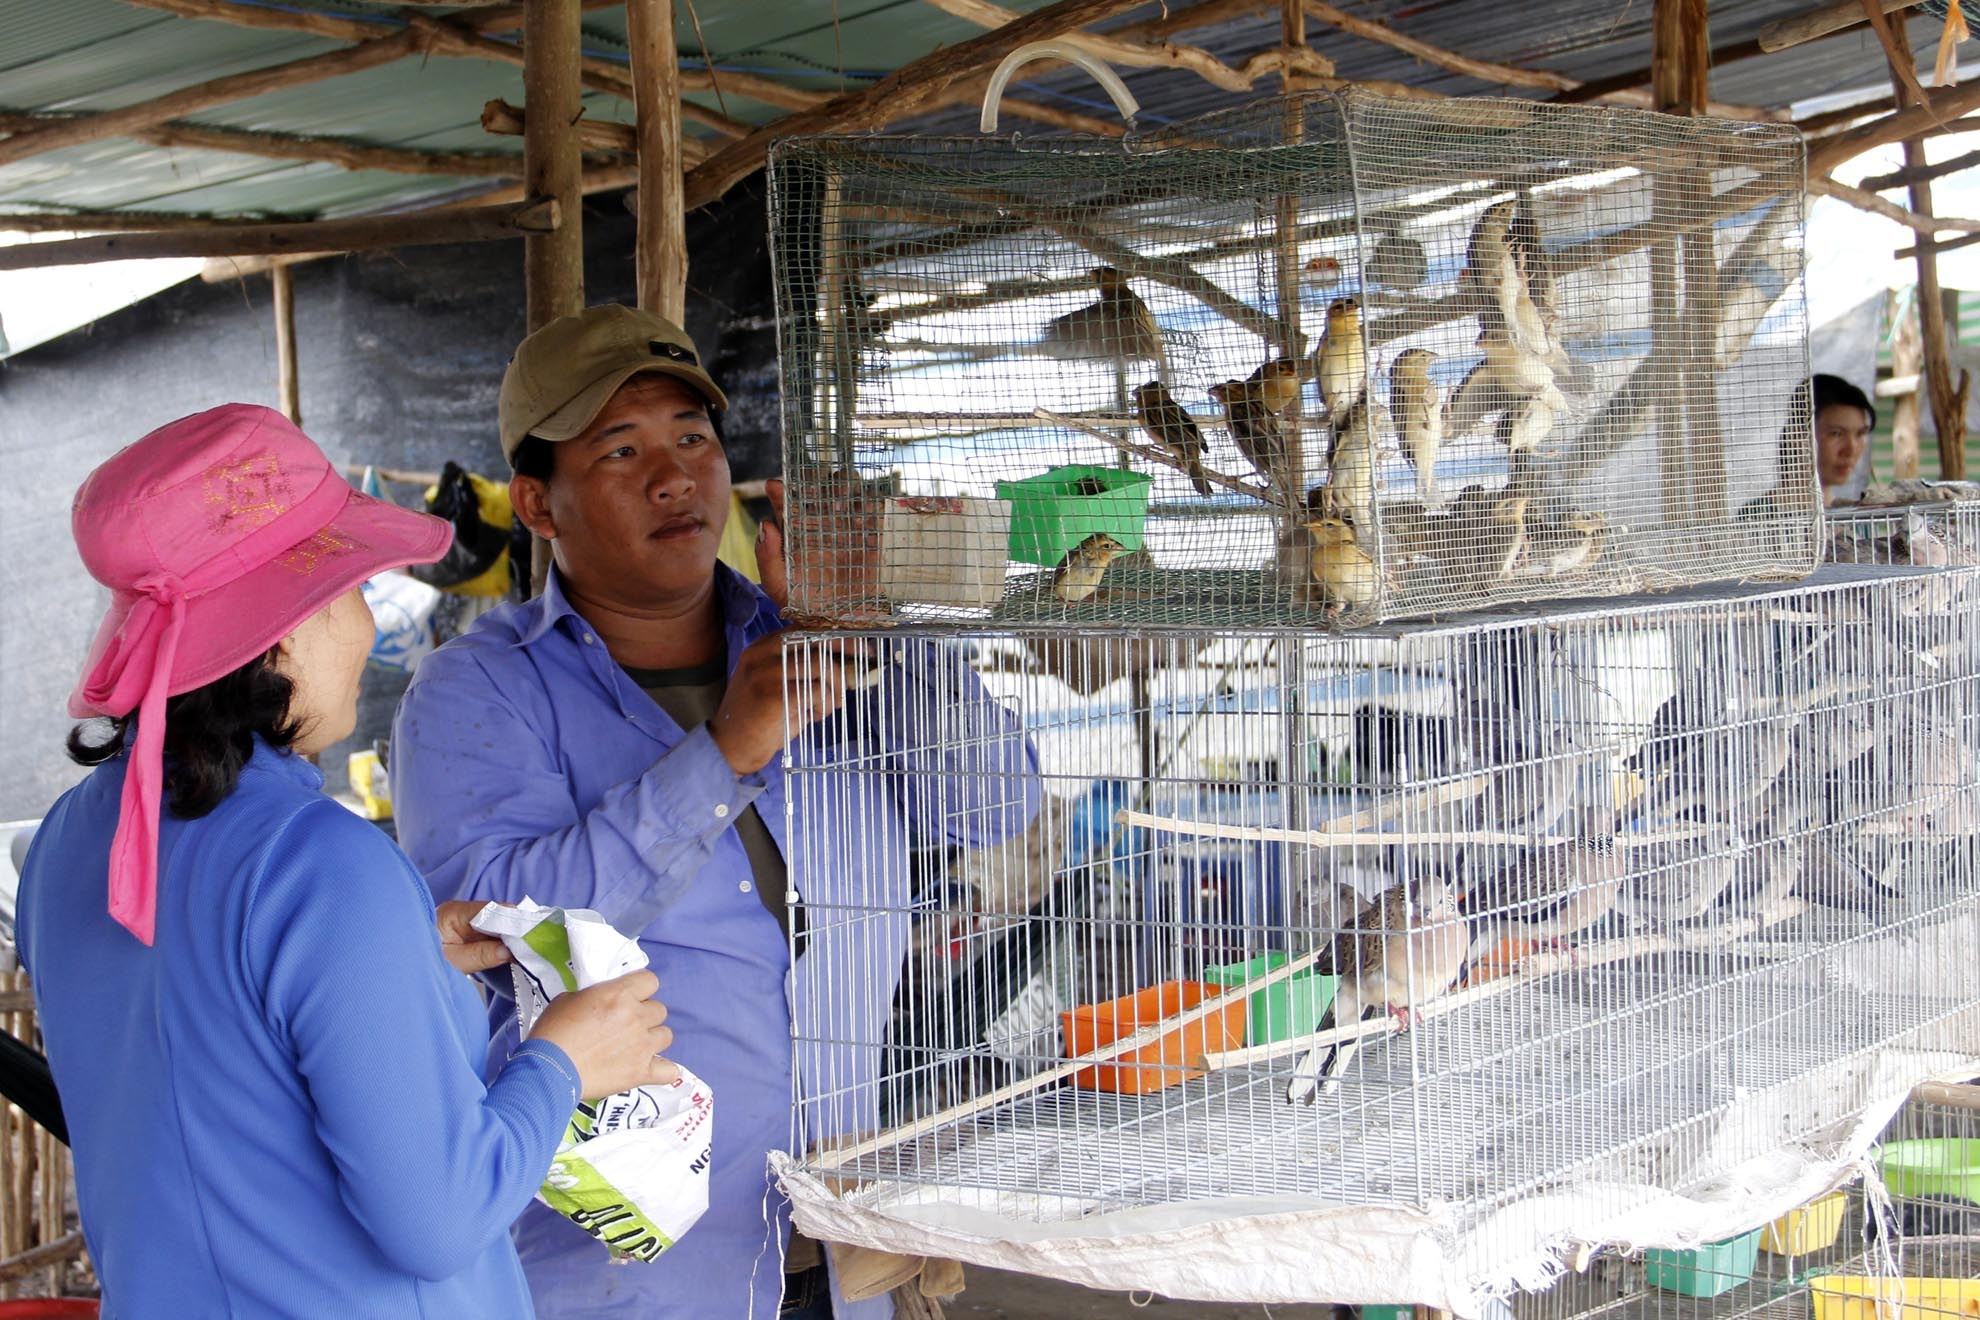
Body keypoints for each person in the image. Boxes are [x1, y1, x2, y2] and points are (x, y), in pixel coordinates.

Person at [390, 305, 1040, 1320]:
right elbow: (494, 935)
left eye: (693, 438)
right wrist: (724, 751)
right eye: (622, 449)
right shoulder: (477, 693)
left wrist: (879, 624)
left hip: (846, 1250)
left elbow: (996, 807)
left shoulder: (819, 641)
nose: (674, 475)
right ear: (537, 502)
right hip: (631, 1279)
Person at [18, 404, 676, 1319]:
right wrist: (565, 1060)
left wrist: (402, 963)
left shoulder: (68, 842)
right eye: (352, 592)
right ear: (283, 629)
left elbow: (208, 1057)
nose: (368, 631)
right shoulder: (322, 864)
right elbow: (439, 1219)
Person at [1812, 372, 1876, 505]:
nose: (1851, 450)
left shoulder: (1853, 520)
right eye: (1836, 433)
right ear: (1797, 435)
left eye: (1860, 434)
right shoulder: (1761, 517)